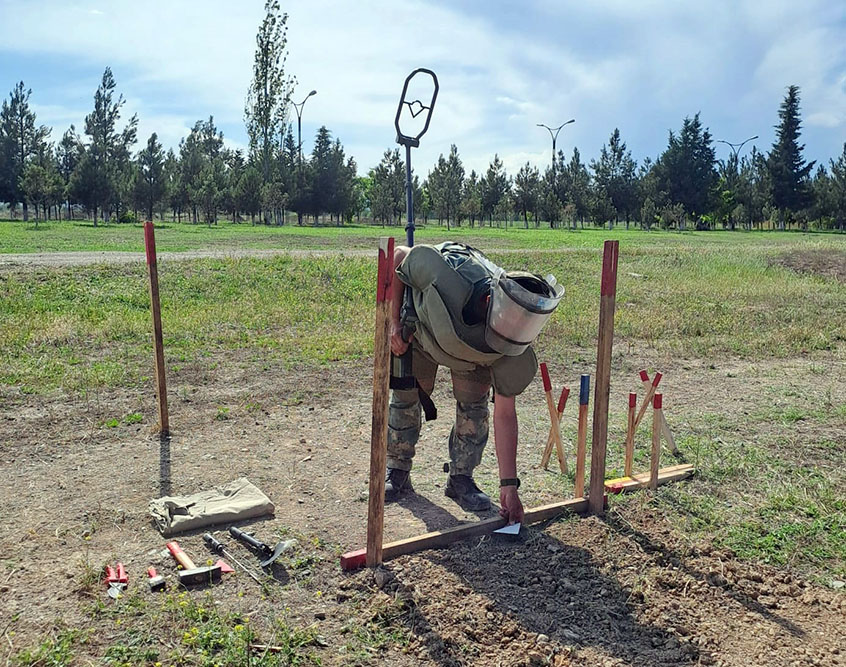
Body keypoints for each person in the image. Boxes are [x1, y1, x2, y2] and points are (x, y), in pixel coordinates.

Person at [386, 242, 564, 525]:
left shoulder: (513, 343)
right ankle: (396, 470)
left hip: (468, 351)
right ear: (493, 306)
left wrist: (509, 486)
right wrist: (393, 322)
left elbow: (505, 415)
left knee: (474, 406)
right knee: (407, 395)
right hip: (423, 327)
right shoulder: (448, 280)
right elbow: (399, 256)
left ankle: (461, 479)